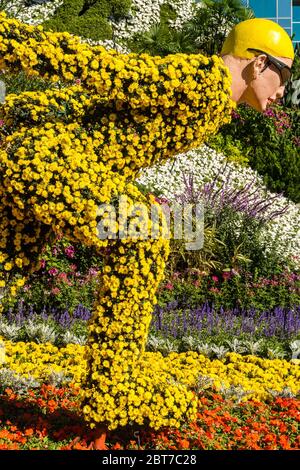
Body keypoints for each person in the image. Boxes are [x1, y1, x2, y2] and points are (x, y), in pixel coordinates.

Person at [0, 14, 295, 449]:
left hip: (53, 160)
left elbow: (99, 120)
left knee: (10, 262)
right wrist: (12, 39)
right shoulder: (205, 83)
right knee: (147, 232)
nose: (284, 90)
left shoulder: (216, 105)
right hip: (49, 160)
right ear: (257, 64)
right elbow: (104, 69)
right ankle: (115, 389)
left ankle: (116, 387)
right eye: (284, 74)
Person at [221, 18, 294, 112]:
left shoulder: (207, 101)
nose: (281, 92)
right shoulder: (197, 96)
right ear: (260, 64)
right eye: (285, 75)